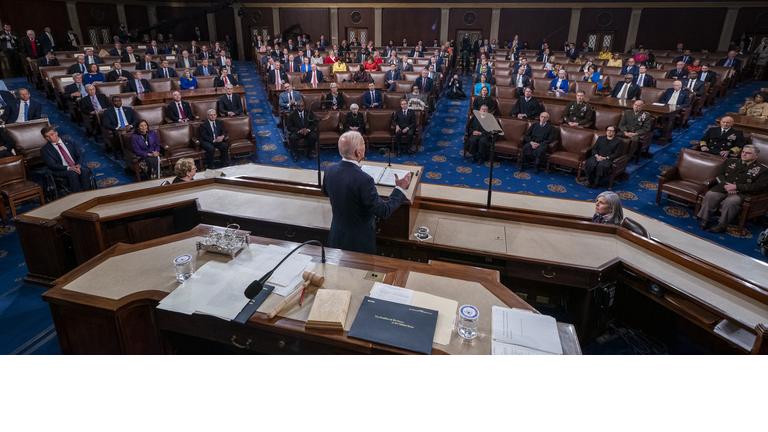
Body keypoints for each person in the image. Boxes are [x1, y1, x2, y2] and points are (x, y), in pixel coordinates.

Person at [321, 131, 410, 255]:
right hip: (359, 243)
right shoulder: (364, 179)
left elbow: (326, 192)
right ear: (358, 152)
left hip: (336, 235)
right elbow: (383, 211)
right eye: (363, 145)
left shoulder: (329, 169)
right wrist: (399, 189)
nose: (365, 148)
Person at [698, 145, 768, 233]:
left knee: (731, 202)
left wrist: (736, 187)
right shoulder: (730, 161)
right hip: (723, 188)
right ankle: (705, 219)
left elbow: (758, 186)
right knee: (711, 195)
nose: (744, 154)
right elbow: (719, 175)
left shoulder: (763, 170)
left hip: (741, 193)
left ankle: (722, 225)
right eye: (743, 152)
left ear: (756, 156)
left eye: (748, 153)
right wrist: (726, 186)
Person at [40, 126, 92, 192]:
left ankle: (88, 194)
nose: (50, 137)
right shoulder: (45, 150)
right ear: (45, 138)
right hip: (61, 170)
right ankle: (77, 196)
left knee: (84, 171)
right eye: (47, 136)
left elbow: (80, 156)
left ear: (56, 133)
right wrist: (69, 168)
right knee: (73, 173)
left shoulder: (71, 142)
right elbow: (51, 165)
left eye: (52, 134)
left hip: (75, 165)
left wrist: (78, 165)